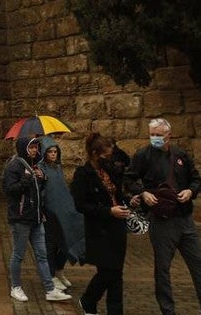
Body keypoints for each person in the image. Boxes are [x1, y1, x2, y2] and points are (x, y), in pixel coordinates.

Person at [127, 118, 201, 315]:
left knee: (199, 266)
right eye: (152, 134)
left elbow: (196, 179)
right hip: (161, 220)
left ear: (169, 135)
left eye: (159, 135)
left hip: (185, 218)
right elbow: (129, 179)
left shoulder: (180, 155)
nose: (155, 138)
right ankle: (168, 310)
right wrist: (143, 193)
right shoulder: (143, 155)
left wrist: (190, 191)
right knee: (162, 270)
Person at [71, 132, 135, 315]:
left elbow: (117, 192)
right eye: (105, 155)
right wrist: (108, 211)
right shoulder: (83, 174)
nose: (109, 157)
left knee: (117, 273)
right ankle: (88, 300)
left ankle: (114, 310)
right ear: (94, 153)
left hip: (117, 227)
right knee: (108, 271)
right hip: (99, 229)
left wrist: (130, 202)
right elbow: (80, 204)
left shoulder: (109, 169)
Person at [3, 136, 71, 303]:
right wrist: (27, 178)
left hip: (36, 217)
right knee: (18, 255)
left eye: (35, 147)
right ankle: (16, 287)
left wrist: (41, 178)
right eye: (31, 147)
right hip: (21, 218)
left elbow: (36, 192)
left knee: (41, 255)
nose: (35, 150)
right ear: (24, 148)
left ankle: (49, 289)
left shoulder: (33, 165)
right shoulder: (14, 166)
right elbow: (10, 190)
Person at [39, 137, 85, 292]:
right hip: (49, 213)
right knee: (51, 245)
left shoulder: (57, 168)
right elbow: (40, 193)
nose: (53, 154)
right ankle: (51, 274)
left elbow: (62, 189)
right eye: (50, 152)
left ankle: (59, 270)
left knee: (66, 241)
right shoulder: (40, 168)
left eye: (55, 152)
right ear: (44, 153)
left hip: (64, 211)